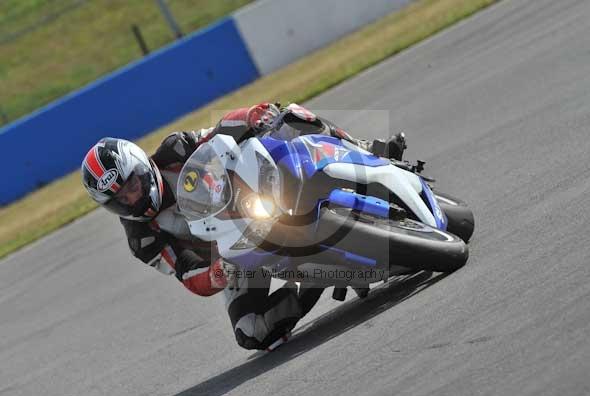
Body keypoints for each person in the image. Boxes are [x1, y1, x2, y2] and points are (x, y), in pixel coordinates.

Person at [81, 102, 406, 350]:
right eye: (120, 199)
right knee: (253, 331)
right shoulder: (142, 239)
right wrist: (216, 273)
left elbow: (219, 132)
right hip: (236, 253)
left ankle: (367, 149)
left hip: (253, 191)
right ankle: (315, 279)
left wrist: (253, 115)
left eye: (132, 185)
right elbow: (187, 273)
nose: (132, 197)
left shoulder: (174, 151)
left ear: (141, 167)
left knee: (290, 117)